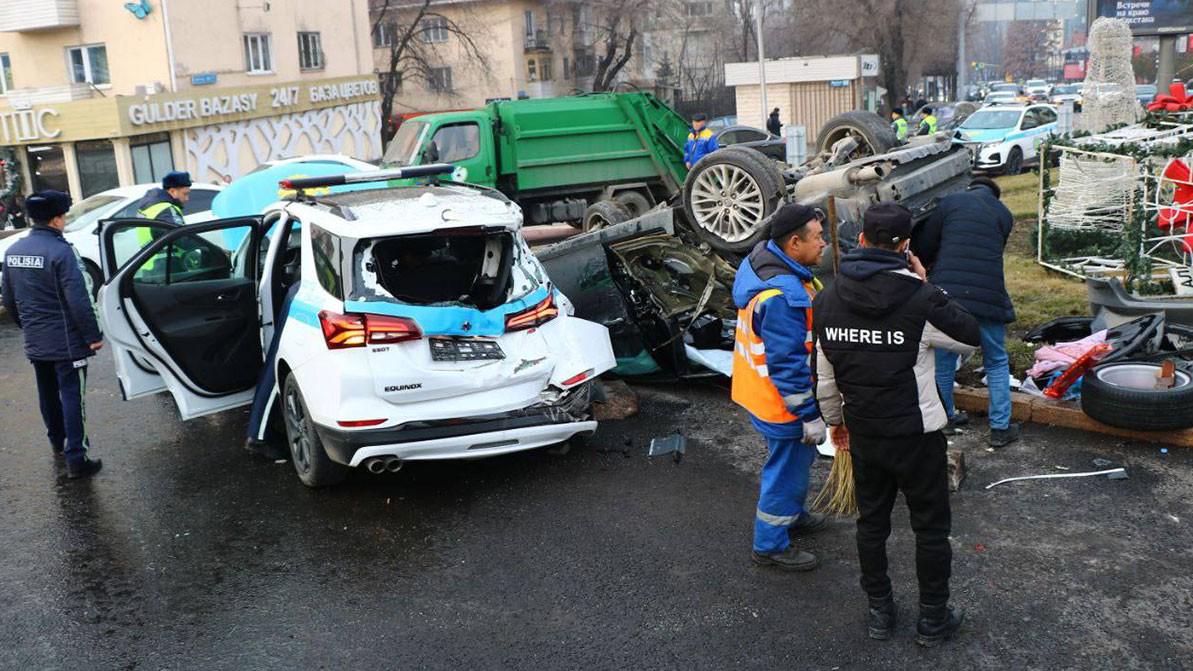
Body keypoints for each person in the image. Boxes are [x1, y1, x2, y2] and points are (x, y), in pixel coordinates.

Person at [813, 202, 980, 646]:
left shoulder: (826, 299)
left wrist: (836, 424)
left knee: (872, 525)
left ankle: (880, 613)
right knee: (930, 530)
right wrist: (926, 282)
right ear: (906, 247)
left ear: (862, 239)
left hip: (865, 434)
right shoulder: (920, 297)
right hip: (917, 437)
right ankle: (932, 619)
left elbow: (825, 379)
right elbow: (969, 337)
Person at [731, 203, 829, 572]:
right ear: (793, 243)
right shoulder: (785, 297)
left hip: (757, 392)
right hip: (782, 403)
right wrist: (809, 415)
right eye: (817, 238)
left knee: (793, 466)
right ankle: (770, 544)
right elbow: (787, 364)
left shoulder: (761, 262)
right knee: (786, 470)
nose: (824, 244)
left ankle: (792, 513)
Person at [1, 190, 105, 480]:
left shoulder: (13, 252)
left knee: (47, 393)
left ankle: (57, 445)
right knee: (73, 397)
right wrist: (93, 335)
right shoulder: (61, 251)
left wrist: (28, 328)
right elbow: (80, 299)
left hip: (36, 341)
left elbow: (9, 299)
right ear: (57, 219)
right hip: (67, 343)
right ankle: (77, 458)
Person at [911, 176, 1020, 447]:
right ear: (995, 195)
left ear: (971, 188)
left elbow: (927, 242)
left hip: (949, 296)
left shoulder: (951, 202)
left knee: (944, 359)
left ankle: (946, 419)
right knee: (995, 360)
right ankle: (1000, 428)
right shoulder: (1004, 214)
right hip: (989, 295)